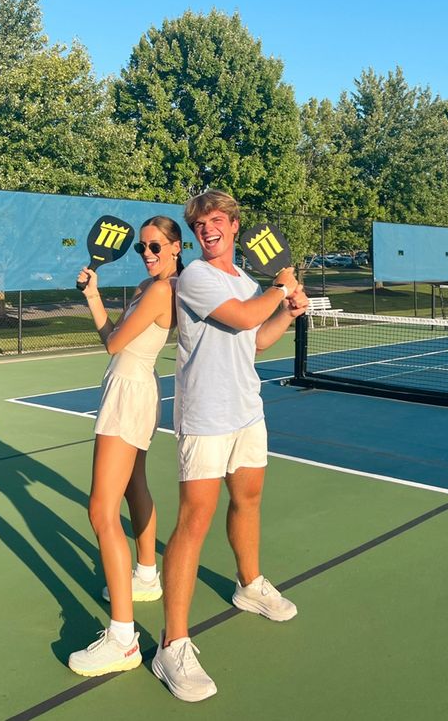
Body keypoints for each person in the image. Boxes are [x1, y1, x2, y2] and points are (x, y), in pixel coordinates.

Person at [152, 190, 309, 701]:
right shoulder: (194, 277)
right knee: (194, 521)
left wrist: (289, 310)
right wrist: (282, 286)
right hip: (204, 418)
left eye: (216, 220)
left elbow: (257, 339)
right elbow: (242, 317)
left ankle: (249, 584)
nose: (207, 229)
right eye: (199, 224)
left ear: (235, 226)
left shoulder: (243, 279)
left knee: (249, 500)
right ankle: (171, 644)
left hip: (247, 413)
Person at [67, 215, 183, 678]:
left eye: (156, 247)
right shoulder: (148, 285)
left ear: (177, 247)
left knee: (100, 511)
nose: (148, 254)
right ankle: (147, 576)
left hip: (129, 392)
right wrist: (94, 295)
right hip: (137, 387)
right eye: (142, 248)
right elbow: (112, 341)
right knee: (136, 485)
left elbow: (115, 343)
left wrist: (98, 302)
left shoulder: (159, 289)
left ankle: (122, 638)